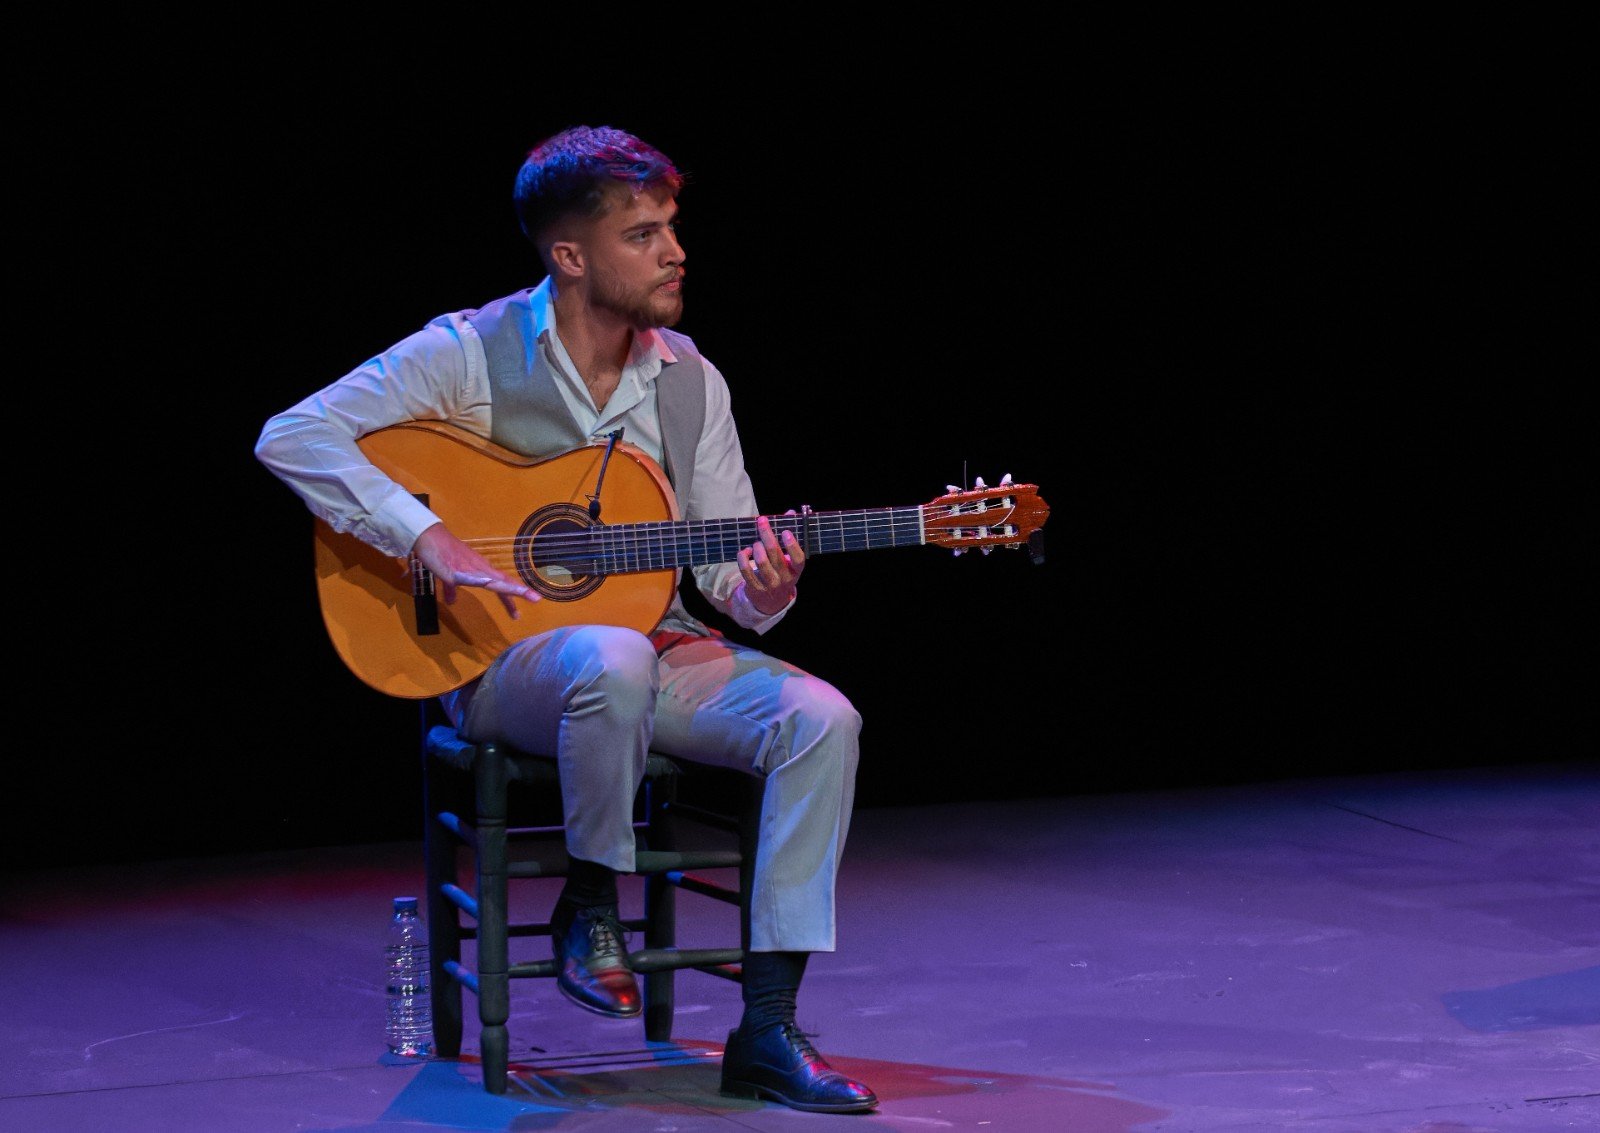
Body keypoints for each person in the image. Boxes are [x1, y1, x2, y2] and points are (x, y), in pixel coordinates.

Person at [254, 124, 877, 1114]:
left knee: (820, 718)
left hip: (652, 651)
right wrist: (428, 539)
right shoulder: (469, 352)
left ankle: (765, 1024)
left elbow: (723, 571)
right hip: (498, 666)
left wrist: (767, 581)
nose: (674, 250)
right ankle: (591, 900)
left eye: (671, 226)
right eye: (643, 233)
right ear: (570, 255)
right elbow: (292, 433)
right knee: (609, 652)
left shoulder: (688, 380)